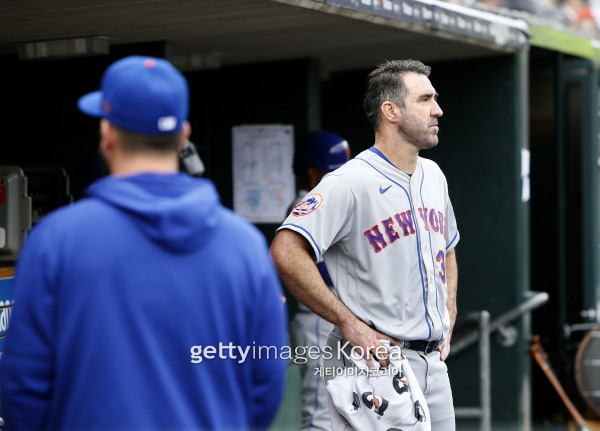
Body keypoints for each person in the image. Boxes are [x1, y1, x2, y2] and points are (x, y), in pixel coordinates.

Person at [0, 55, 288, 431]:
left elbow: (24, 386)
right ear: (184, 135)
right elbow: (266, 382)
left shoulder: (55, 240)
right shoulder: (245, 244)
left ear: (107, 134)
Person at [271, 59, 459, 430]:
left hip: (433, 361)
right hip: (375, 363)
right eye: (425, 99)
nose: (437, 109)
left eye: (434, 98)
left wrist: (449, 307)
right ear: (391, 111)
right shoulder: (349, 181)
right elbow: (286, 250)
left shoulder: (434, 175)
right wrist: (347, 322)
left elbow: (448, 247)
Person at [287, 131, 350, 431]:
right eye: (330, 172)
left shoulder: (333, 202)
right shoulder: (304, 207)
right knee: (319, 415)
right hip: (317, 318)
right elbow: (320, 272)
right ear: (312, 172)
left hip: (340, 319)